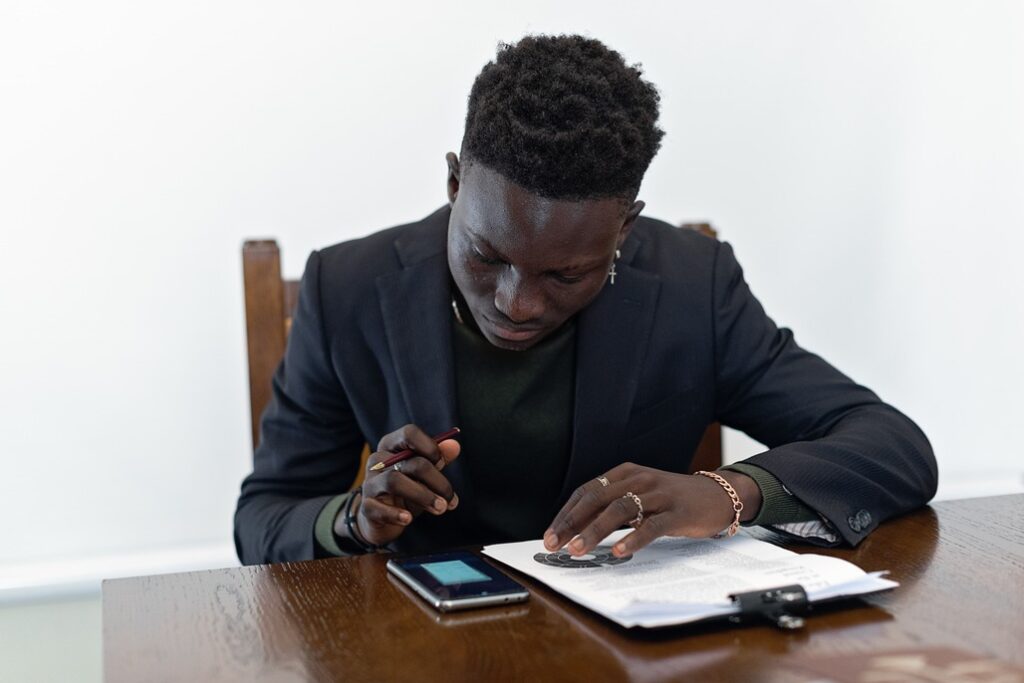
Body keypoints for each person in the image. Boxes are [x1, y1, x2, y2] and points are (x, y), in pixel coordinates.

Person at [233, 34, 936, 565]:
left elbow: (892, 445)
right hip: (426, 639)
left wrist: (727, 494)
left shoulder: (695, 285)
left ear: (623, 226)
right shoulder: (347, 287)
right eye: (487, 255)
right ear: (454, 184)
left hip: (631, 644)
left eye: (564, 276)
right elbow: (262, 517)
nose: (517, 301)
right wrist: (351, 518)